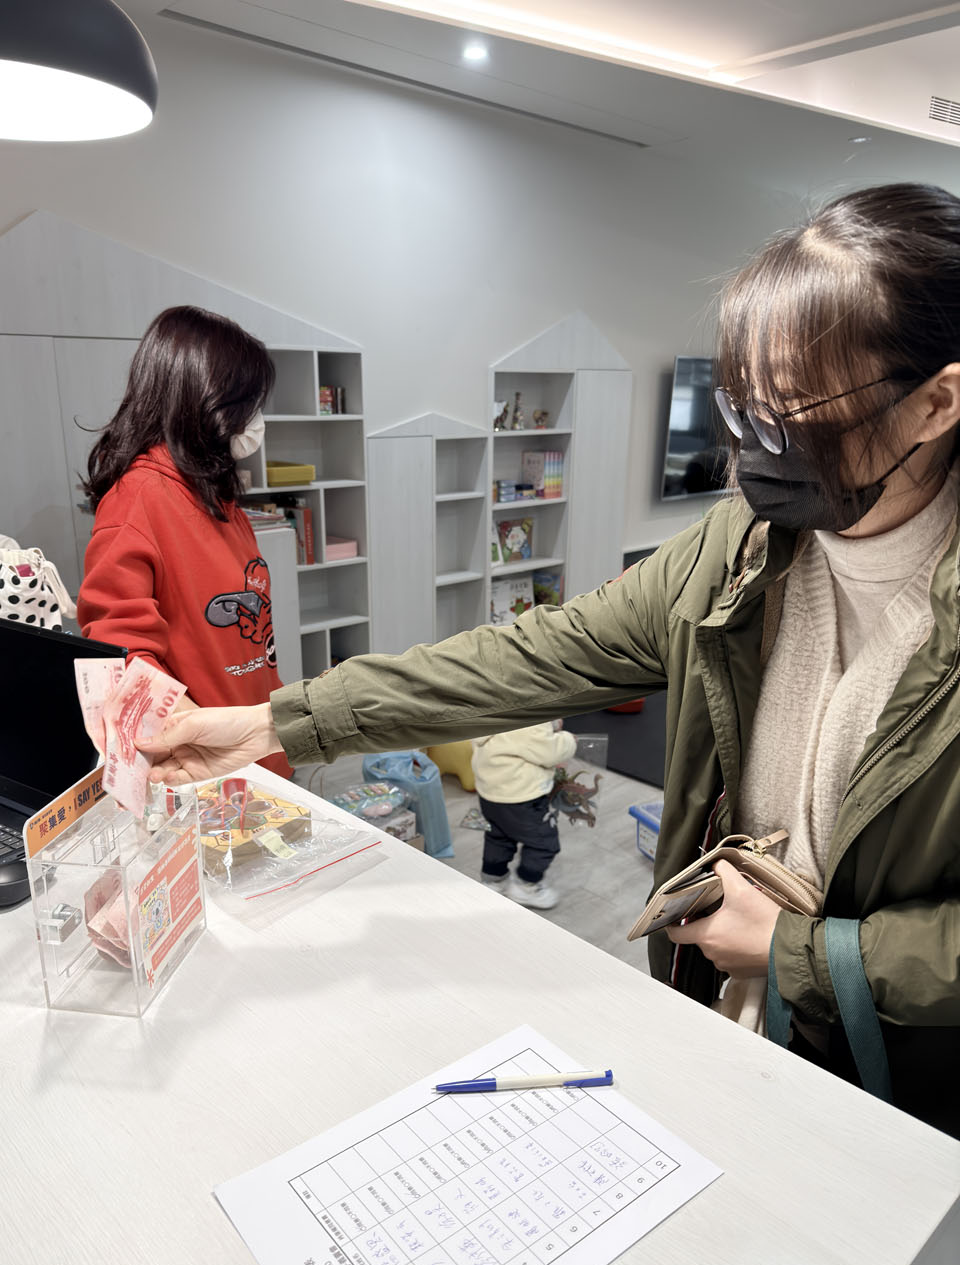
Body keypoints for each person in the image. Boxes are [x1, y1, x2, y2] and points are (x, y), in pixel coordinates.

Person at [143, 183, 960, 1138]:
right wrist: (273, 722)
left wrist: (803, 951)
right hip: (735, 1027)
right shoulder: (736, 550)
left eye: (792, 418)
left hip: (904, 1093)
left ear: (935, 402)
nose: (749, 456)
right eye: (742, 411)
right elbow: (525, 658)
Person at [77, 305, 290, 776]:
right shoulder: (139, 499)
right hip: (207, 770)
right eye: (247, 404)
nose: (256, 419)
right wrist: (196, 739)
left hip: (257, 753)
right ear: (206, 400)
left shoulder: (216, 496)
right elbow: (120, 650)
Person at [471, 721, 577, 909]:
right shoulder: (528, 720)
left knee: (498, 836)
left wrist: (550, 724)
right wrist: (568, 740)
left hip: (490, 792)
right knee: (544, 842)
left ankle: (493, 879)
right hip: (522, 797)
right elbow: (549, 752)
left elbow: (518, 740)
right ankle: (526, 886)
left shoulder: (490, 711)